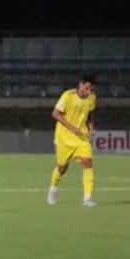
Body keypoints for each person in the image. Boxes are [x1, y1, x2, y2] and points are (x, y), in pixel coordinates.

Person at [47, 74, 97, 207]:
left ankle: (87, 198)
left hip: (81, 137)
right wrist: (72, 128)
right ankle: (52, 190)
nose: (89, 91)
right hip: (64, 138)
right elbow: (55, 114)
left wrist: (91, 127)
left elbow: (90, 113)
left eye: (91, 89)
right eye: (87, 88)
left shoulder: (92, 98)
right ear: (81, 84)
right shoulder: (68, 95)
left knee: (87, 162)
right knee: (62, 168)